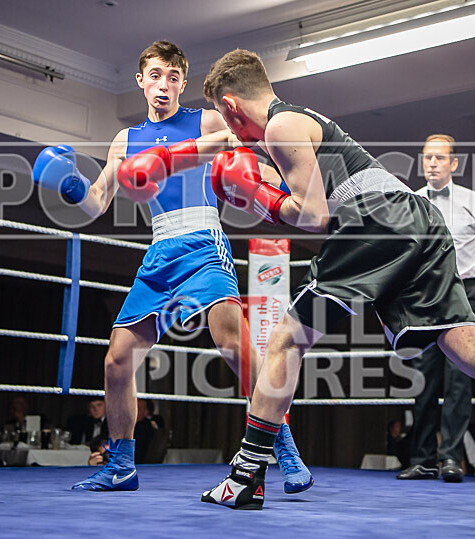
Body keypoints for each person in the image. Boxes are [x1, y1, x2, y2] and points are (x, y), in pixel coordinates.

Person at [131, 49, 475, 524]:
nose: (233, 131)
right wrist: (241, 180)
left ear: (232, 105)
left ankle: (245, 476)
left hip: (373, 221)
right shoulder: (300, 120)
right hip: (419, 222)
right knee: (463, 342)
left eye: (226, 117)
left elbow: (315, 216)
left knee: (286, 340)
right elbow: (276, 180)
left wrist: (256, 196)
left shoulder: (281, 126)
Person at [31, 41, 310, 493]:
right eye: (156, 75)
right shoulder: (125, 140)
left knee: (233, 346)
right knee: (116, 360)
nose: (165, 85)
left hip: (203, 240)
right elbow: (96, 203)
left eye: (174, 77)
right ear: (140, 80)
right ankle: (121, 465)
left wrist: (172, 160)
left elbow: (239, 144)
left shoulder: (205, 119)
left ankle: (283, 448)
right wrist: (69, 187)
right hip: (160, 251)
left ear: (183, 83)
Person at [398, 134, 475, 483]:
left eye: (439, 158)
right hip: (424, 294)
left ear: (453, 164)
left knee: (460, 381)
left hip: (465, 290)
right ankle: (423, 458)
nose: (432, 164)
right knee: (423, 379)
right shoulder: (411, 201)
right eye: (427, 158)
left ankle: (451, 458)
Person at [134, 399, 165, 464]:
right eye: (133, 407)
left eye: (138, 408)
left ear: (146, 412)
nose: (134, 411)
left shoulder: (146, 427)